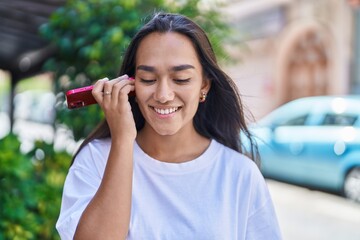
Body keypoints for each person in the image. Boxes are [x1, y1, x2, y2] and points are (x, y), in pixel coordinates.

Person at [56, 12, 282, 240]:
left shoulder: (240, 174)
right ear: (130, 84)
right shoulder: (96, 159)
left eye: (181, 79)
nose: (163, 95)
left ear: (204, 85)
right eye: (148, 79)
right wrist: (123, 140)